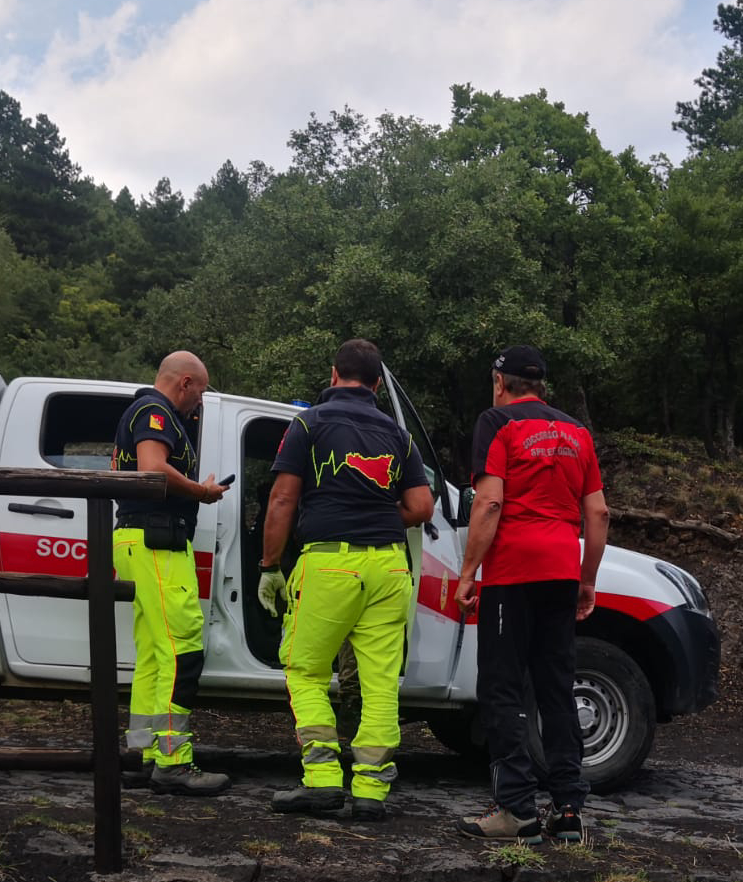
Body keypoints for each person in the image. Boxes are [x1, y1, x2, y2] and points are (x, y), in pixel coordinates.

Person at [258, 339, 434, 820]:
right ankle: (372, 793)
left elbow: (281, 500)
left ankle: (321, 781)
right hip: (390, 567)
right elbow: (421, 507)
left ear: (333, 374)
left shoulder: (309, 423)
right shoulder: (399, 436)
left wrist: (270, 565)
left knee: (306, 670)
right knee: (380, 682)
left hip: (330, 564)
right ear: (377, 384)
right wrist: (376, 513)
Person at [454, 345, 610, 844]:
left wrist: (467, 573)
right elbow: (599, 514)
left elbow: (491, 501)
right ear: (540, 385)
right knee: (556, 689)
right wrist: (587, 580)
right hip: (561, 570)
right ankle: (567, 810)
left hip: (512, 573)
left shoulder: (496, 422)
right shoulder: (577, 432)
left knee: (502, 688)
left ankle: (516, 810)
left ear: (500, 382)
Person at [112, 351, 230, 796]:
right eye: (201, 389)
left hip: (138, 539)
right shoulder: (155, 412)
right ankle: (174, 762)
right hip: (157, 541)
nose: (200, 400)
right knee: (183, 650)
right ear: (185, 382)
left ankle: (142, 754)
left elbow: (117, 468)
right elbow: (151, 469)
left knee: (155, 653)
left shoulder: (137, 412)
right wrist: (201, 490)